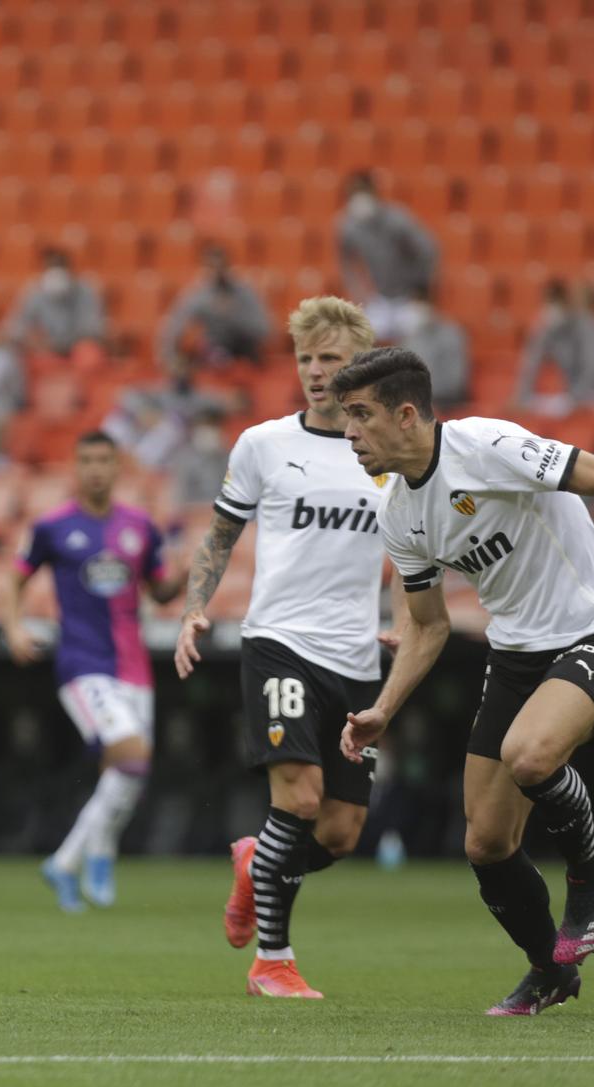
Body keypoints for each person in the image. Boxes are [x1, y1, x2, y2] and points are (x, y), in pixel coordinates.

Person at [334, 346, 594, 1015]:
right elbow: (428, 626)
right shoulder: (399, 512)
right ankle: (550, 970)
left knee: (530, 755)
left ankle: (590, 874)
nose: (348, 432)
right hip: (515, 653)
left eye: (360, 415)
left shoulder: (489, 446)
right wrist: (384, 707)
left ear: (406, 414)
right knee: (485, 842)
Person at [174, 297, 393, 1000]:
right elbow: (219, 536)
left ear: (361, 363)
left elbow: (418, 549)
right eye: (306, 359)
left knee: (340, 830)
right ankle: (273, 959)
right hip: (281, 643)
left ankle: (252, 865)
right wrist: (195, 609)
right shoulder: (264, 444)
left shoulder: (388, 454)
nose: (316, 371)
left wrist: (407, 620)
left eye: (330, 358)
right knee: (296, 800)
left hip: (358, 656)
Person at [0, 431, 186, 911]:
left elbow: (161, 592)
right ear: (75, 468)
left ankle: (90, 857)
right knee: (132, 756)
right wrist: (15, 629)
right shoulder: (54, 526)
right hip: (82, 665)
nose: (96, 469)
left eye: (105, 460)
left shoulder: (140, 527)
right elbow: (16, 578)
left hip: (134, 667)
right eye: (87, 460)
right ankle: (73, 859)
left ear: (117, 466)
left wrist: (185, 569)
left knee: (127, 773)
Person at [336, 173, 439, 338]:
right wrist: (360, 295)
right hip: (380, 300)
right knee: (358, 336)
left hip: (409, 298)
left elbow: (428, 250)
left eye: (362, 191)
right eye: (353, 193)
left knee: (418, 333)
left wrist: (423, 292)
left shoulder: (398, 219)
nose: (359, 199)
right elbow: (346, 264)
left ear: (374, 192)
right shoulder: (348, 226)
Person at [159, 243, 271, 368]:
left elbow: (264, 330)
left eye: (220, 267)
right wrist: (169, 358)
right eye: (211, 267)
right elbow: (174, 326)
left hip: (243, 353)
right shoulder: (198, 295)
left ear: (227, 267)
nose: (216, 272)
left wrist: (231, 314)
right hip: (213, 353)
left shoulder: (244, 292)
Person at [514, 280, 594, 416]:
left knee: (564, 410)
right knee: (535, 408)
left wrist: (575, 399)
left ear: (565, 303)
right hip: (569, 397)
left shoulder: (586, 324)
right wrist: (522, 396)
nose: (550, 309)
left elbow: (592, 368)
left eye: (554, 303)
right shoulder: (548, 328)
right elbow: (532, 363)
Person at [11, 249, 106, 355]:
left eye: (60, 269)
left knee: (89, 354)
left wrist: (65, 343)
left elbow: (94, 329)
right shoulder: (33, 292)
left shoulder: (85, 291)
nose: (56, 276)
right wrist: (34, 340)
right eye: (51, 269)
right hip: (44, 350)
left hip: (76, 348)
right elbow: (17, 328)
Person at [400, 294, 470, 413]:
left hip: (444, 399)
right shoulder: (410, 337)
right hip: (416, 397)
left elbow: (455, 379)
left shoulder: (451, 334)